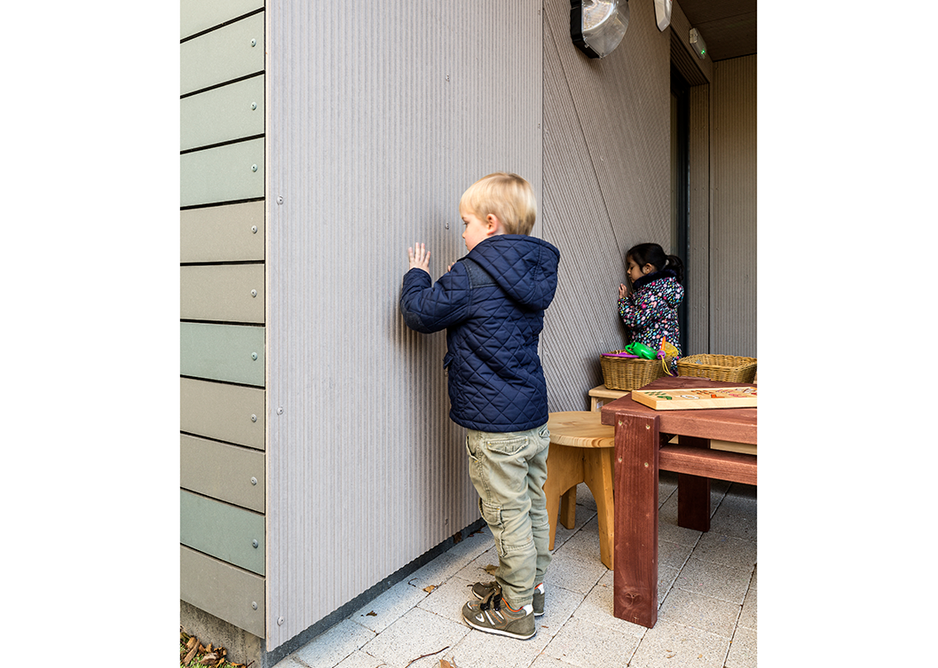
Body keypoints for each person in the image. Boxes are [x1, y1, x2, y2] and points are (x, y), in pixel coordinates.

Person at [399, 172, 560, 640]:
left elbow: (419, 313)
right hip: (531, 417)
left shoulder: (469, 275)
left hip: (496, 427)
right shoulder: (532, 275)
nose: (462, 231)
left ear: (490, 224)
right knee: (530, 505)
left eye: (466, 222)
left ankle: (514, 610)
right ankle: (533, 587)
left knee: (506, 516)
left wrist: (417, 274)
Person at [617, 242, 685, 371]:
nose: (628, 271)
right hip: (666, 358)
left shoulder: (651, 293)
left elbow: (636, 320)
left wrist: (624, 302)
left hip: (655, 359)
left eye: (631, 267)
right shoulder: (661, 289)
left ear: (647, 268)